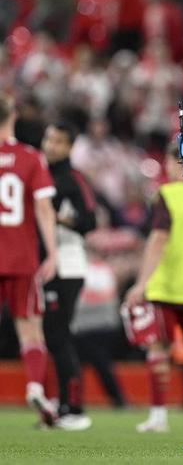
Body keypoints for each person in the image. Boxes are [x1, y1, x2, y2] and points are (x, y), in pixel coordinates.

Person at [123, 144, 183, 432]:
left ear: (174, 163)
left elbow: (157, 240)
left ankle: (158, 416)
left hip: (165, 285)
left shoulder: (166, 194)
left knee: (158, 350)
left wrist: (141, 283)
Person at [0, 92, 58, 425]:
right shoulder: (30, 157)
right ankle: (35, 386)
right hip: (21, 257)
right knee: (30, 330)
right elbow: (44, 208)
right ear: (13, 117)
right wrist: (52, 252)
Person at [41, 121, 96, 431]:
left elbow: (90, 220)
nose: (52, 145)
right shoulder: (41, 173)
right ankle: (60, 402)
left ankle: (73, 407)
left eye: (59, 141)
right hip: (45, 265)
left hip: (68, 264)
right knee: (50, 335)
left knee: (59, 335)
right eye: (49, 139)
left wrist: (60, 220)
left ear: (70, 147)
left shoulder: (74, 179)